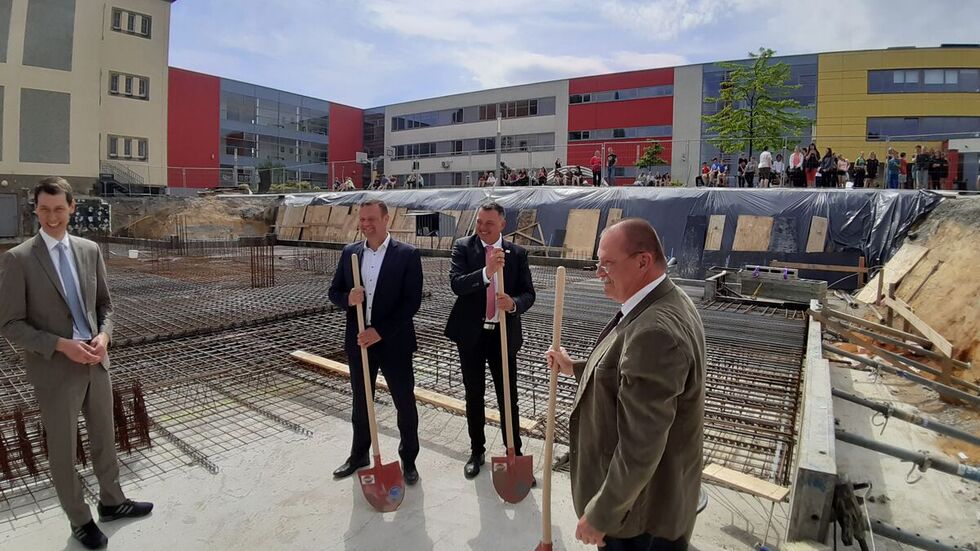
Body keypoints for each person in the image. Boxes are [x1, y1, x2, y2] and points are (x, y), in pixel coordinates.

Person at [0, 178, 153, 550]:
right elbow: (10, 326)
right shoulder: (18, 259)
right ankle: (80, 519)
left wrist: (104, 336)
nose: (52, 217)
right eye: (44, 209)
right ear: (34, 210)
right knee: (64, 448)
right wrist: (60, 346)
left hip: (96, 361)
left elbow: (105, 305)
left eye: (59, 208)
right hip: (55, 368)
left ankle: (112, 502)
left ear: (72, 208)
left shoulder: (89, 250)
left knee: (104, 436)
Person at [547, 218, 706, 551]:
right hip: (649, 503)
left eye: (607, 264)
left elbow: (640, 447)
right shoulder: (665, 300)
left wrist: (603, 513)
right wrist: (575, 368)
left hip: (639, 518)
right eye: (598, 263)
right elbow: (629, 376)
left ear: (643, 261)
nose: (599, 273)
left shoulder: (654, 331)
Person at [328, 199, 424, 485]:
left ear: (386, 220)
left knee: (404, 403)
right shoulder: (350, 253)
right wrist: (348, 299)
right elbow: (334, 291)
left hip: (394, 342)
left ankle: (408, 460)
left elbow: (411, 303)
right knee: (361, 402)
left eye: (372, 219)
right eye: (362, 219)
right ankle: (359, 455)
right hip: (359, 342)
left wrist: (379, 331)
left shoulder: (407, 254)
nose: (366, 224)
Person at [445, 201, 536, 479]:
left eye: (489, 224)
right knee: (474, 394)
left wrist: (513, 304)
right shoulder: (464, 247)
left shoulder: (517, 253)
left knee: (508, 396)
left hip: (502, 334)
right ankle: (477, 450)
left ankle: (514, 452)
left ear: (502, 224)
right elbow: (457, 284)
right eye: (479, 222)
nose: (482, 228)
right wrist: (487, 273)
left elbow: (528, 293)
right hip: (471, 334)